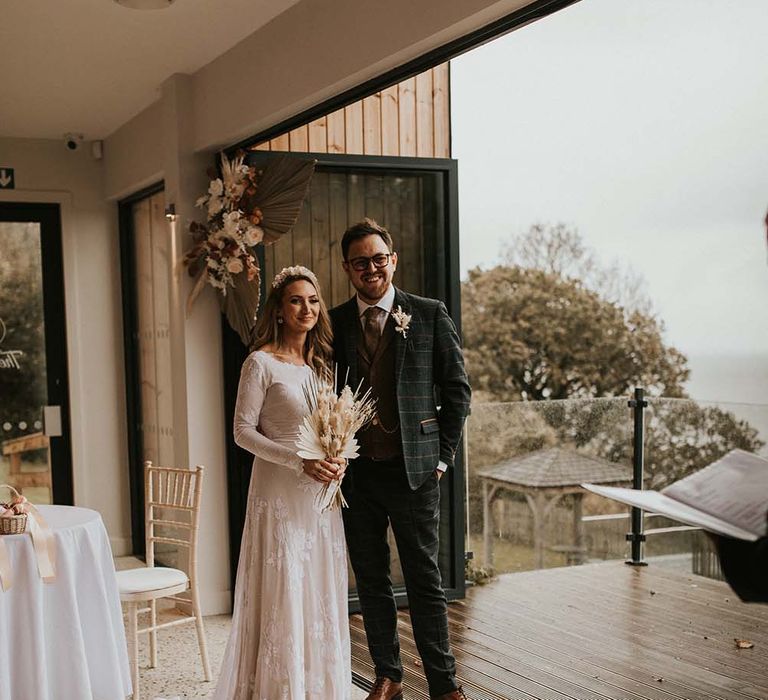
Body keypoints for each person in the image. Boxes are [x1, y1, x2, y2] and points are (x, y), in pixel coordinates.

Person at [330, 219, 472, 700]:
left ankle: (444, 684)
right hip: (357, 474)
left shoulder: (429, 314)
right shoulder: (336, 322)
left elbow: (457, 392)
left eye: (378, 258)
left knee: (424, 580)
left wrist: (442, 458)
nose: (370, 268)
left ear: (392, 260)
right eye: (359, 261)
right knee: (371, 579)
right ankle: (388, 675)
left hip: (415, 471)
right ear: (347, 268)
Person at [213, 265, 352, 699]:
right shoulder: (260, 362)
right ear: (279, 309)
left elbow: (331, 429)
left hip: (319, 498)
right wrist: (297, 461)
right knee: (286, 586)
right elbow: (242, 431)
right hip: (278, 494)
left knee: (316, 588)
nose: (306, 308)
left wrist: (338, 459)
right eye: (296, 300)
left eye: (313, 300)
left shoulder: (321, 368)